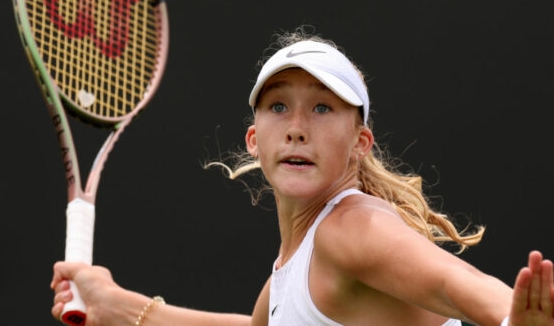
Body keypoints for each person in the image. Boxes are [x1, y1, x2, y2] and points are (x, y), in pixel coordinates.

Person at [51, 27, 554, 326]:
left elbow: (456, 282)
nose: (296, 129)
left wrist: (513, 317)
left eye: (320, 108)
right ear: (254, 140)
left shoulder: (351, 228)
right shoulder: (293, 270)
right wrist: (121, 307)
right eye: (278, 107)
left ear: (360, 145)